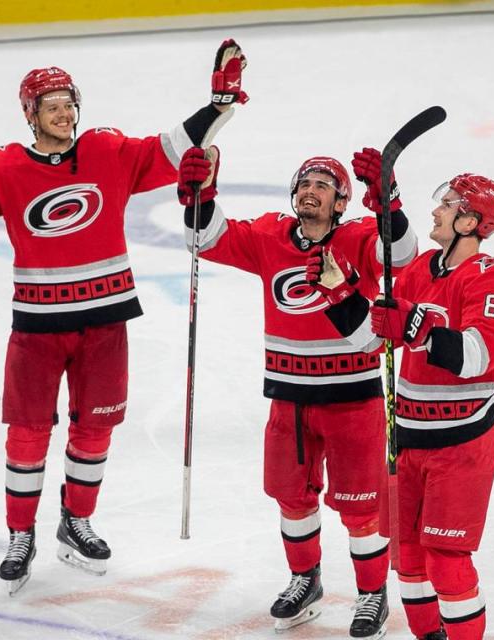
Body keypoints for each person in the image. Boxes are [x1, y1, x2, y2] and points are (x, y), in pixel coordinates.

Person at [0, 41, 248, 594]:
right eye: (51, 105)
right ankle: (20, 533)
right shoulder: (4, 165)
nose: (64, 113)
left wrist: (218, 106)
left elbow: (174, 149)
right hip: (37, 326)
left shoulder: (109, 151)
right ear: (30, 114)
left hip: (106, 319)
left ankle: (75, 521)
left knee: (95, 427)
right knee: (28, 434)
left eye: (68, 103)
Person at [177, 145, 419, 637]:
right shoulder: (270, 236)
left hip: (353, 398)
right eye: (305, 184)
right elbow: (206, 240)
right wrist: (199, 196)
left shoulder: (359, 237)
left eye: (323, 186)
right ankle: (304, 581)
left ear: (341, 201)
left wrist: (389, 202)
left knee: (360, 506)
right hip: (288, 396)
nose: (310, 192)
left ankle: (372, 594)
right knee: (292, 497)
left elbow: (404, 255)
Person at [308, 172, 494, 640]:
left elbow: (478, 357)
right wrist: (339, 293)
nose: (437, 211)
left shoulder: (492, 277)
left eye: (447, 204)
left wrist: (417, 323)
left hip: (462, 443)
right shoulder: (422, 269)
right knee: (410, 562)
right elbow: (374, 338)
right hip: (408, 441)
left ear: (469, 221)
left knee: (447, 560)